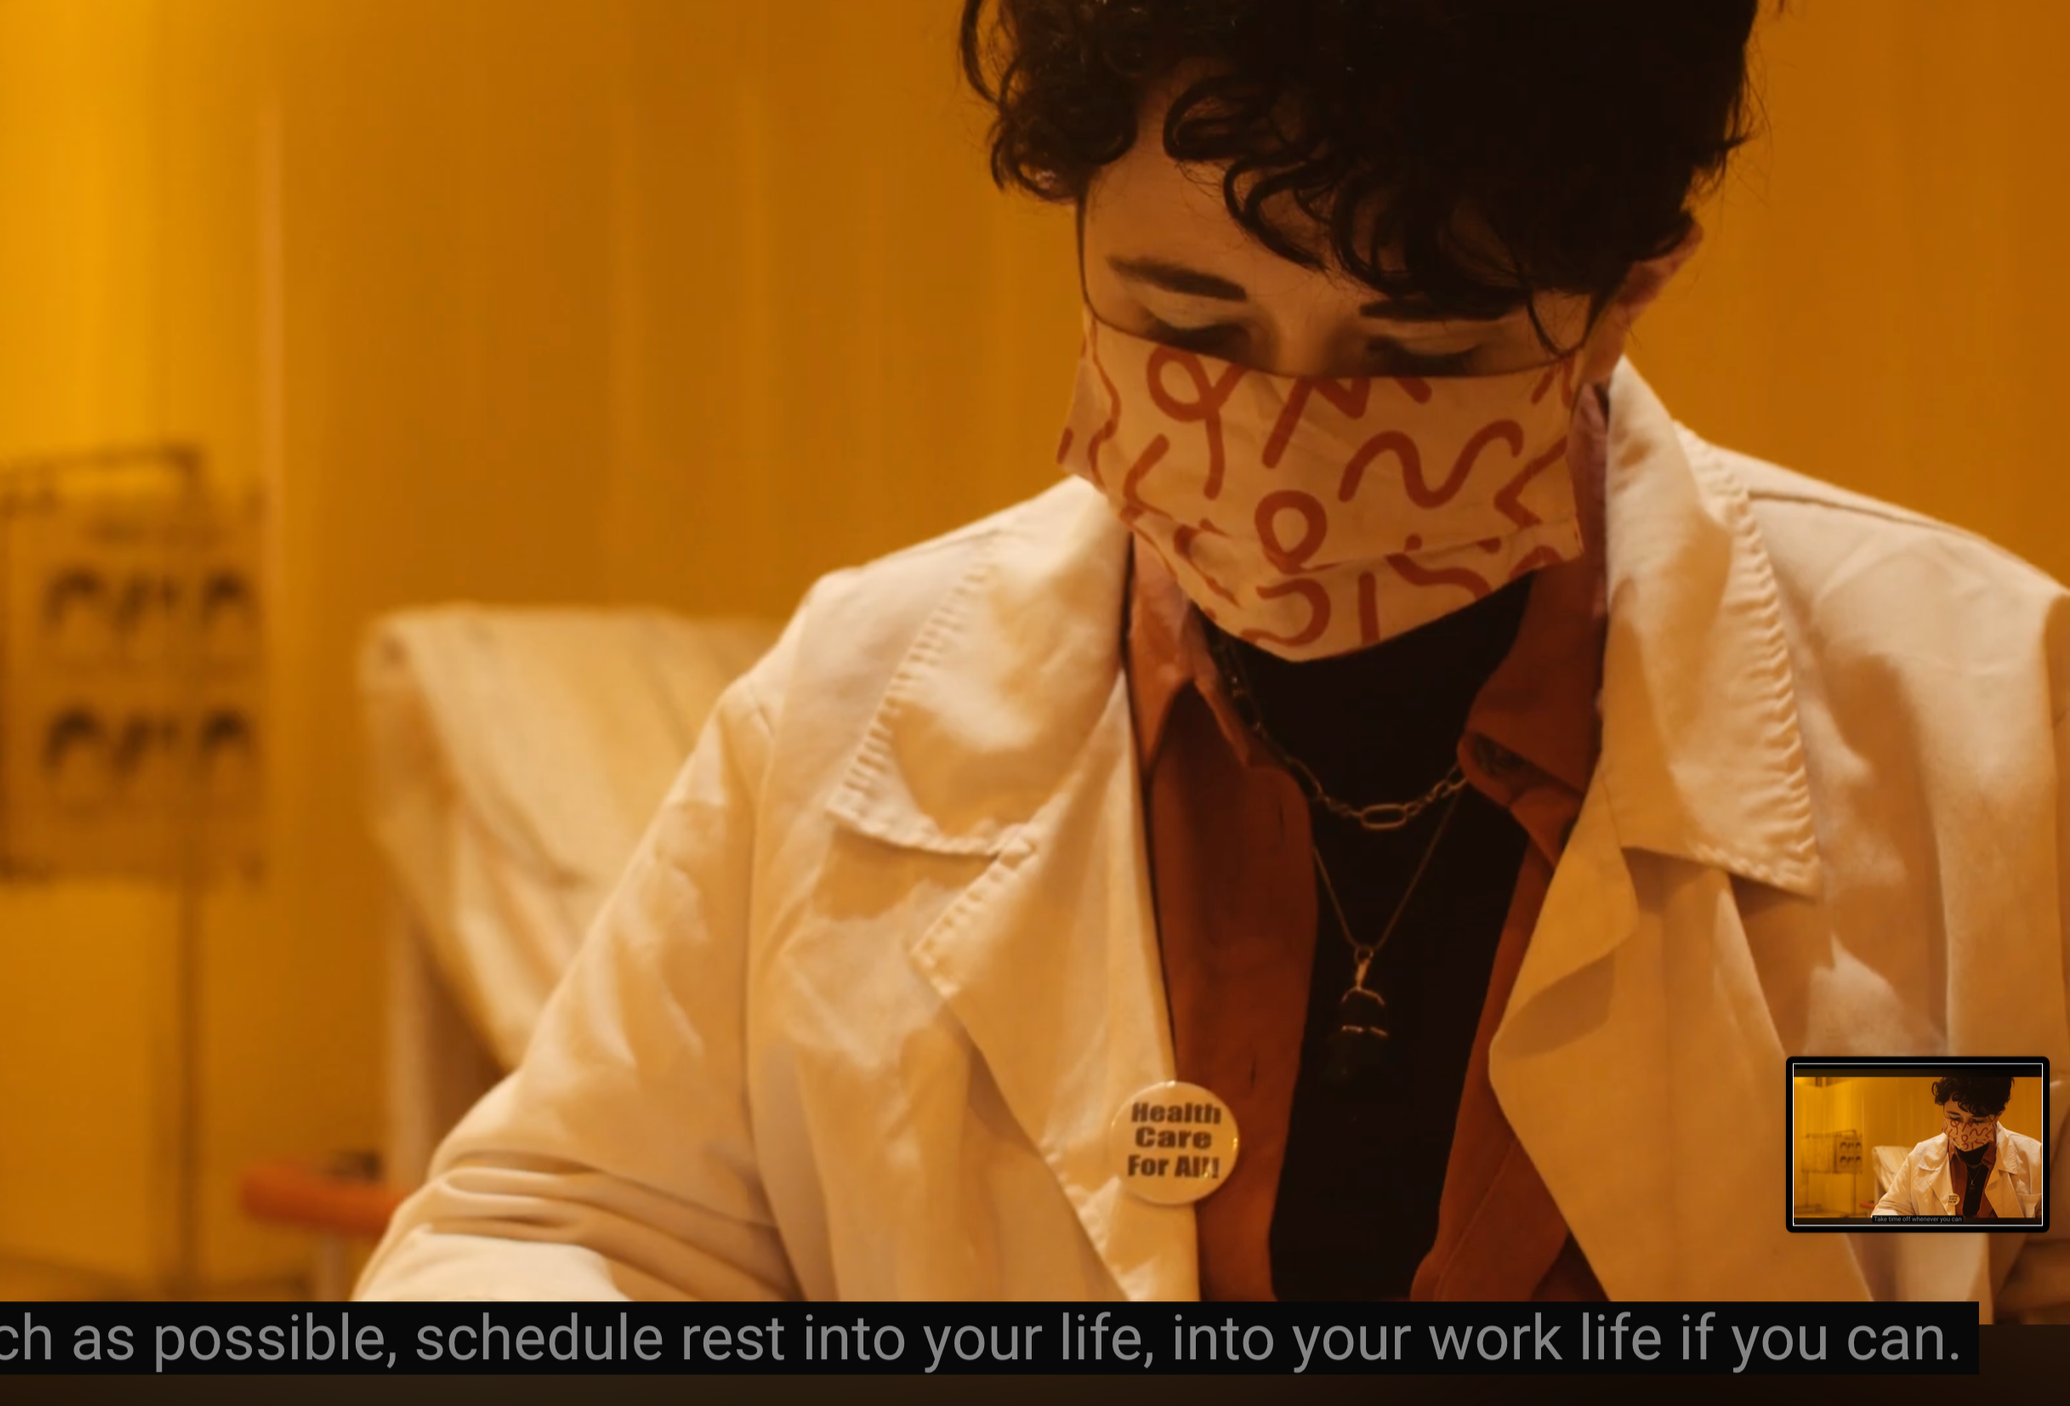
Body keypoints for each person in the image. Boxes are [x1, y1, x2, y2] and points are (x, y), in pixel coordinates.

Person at [357, 1, 2069, 1315]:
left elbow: (2029, 1260)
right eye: (1189, 324)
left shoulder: (1983, 721)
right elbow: (555, 1228)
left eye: (1420, 351)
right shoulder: (856, 705)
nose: (1290, 445)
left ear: (1624, 296)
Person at [1873, 1076, 2047, 1222]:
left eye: (1976, 1121)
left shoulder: (2035, 1157)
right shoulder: (1920, 1157)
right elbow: (1888, 1209)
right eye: (1954, 1118)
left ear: (1998, 1115)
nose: (1964, 1130)